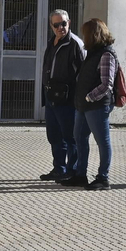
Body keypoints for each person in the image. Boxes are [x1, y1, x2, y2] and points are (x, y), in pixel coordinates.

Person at [66, 17, 118, 191]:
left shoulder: (106, 55)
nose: (84, 38)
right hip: (83, 105)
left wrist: (89, 97)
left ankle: (103, 178)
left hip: (96, 106)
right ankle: (80, 174)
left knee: (102, 142)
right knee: (79, 138)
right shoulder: (92, 53)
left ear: (93, 35)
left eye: (86, 34)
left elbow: (106, 84)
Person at [39, 9, 85, 182]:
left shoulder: (75, 44)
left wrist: (78, 98)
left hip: (67, 98)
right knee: (54, 135)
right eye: (56, 25)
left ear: (69, 23)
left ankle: (72, 170)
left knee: (69, 136)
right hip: (51, 95)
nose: (60, 28)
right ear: (51, 26)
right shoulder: (52, 42)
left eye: (63, 23)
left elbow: (83, 72)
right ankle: (59, 168)